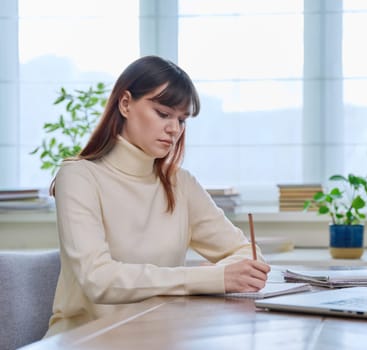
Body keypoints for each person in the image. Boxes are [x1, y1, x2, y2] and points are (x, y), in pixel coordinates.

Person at [44, 55, 270, 337]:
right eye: (163, 114)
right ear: (125, 104)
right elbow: (98, 279)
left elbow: (247, 253)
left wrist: (219, 274)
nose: (174, 129)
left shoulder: (180, 183)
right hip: (86, 338)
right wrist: (211, 277)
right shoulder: (78, 176)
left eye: (182, 120)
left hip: (158, 336)